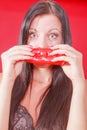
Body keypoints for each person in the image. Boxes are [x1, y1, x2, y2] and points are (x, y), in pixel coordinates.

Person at [0, 0, 87, 130]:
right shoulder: (3, 80)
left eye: (52, 35)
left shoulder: (80, 87)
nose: (42, 45)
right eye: (33, 34)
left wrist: (79, 82)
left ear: (64, 40)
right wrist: (8, 81)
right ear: (25, 38)